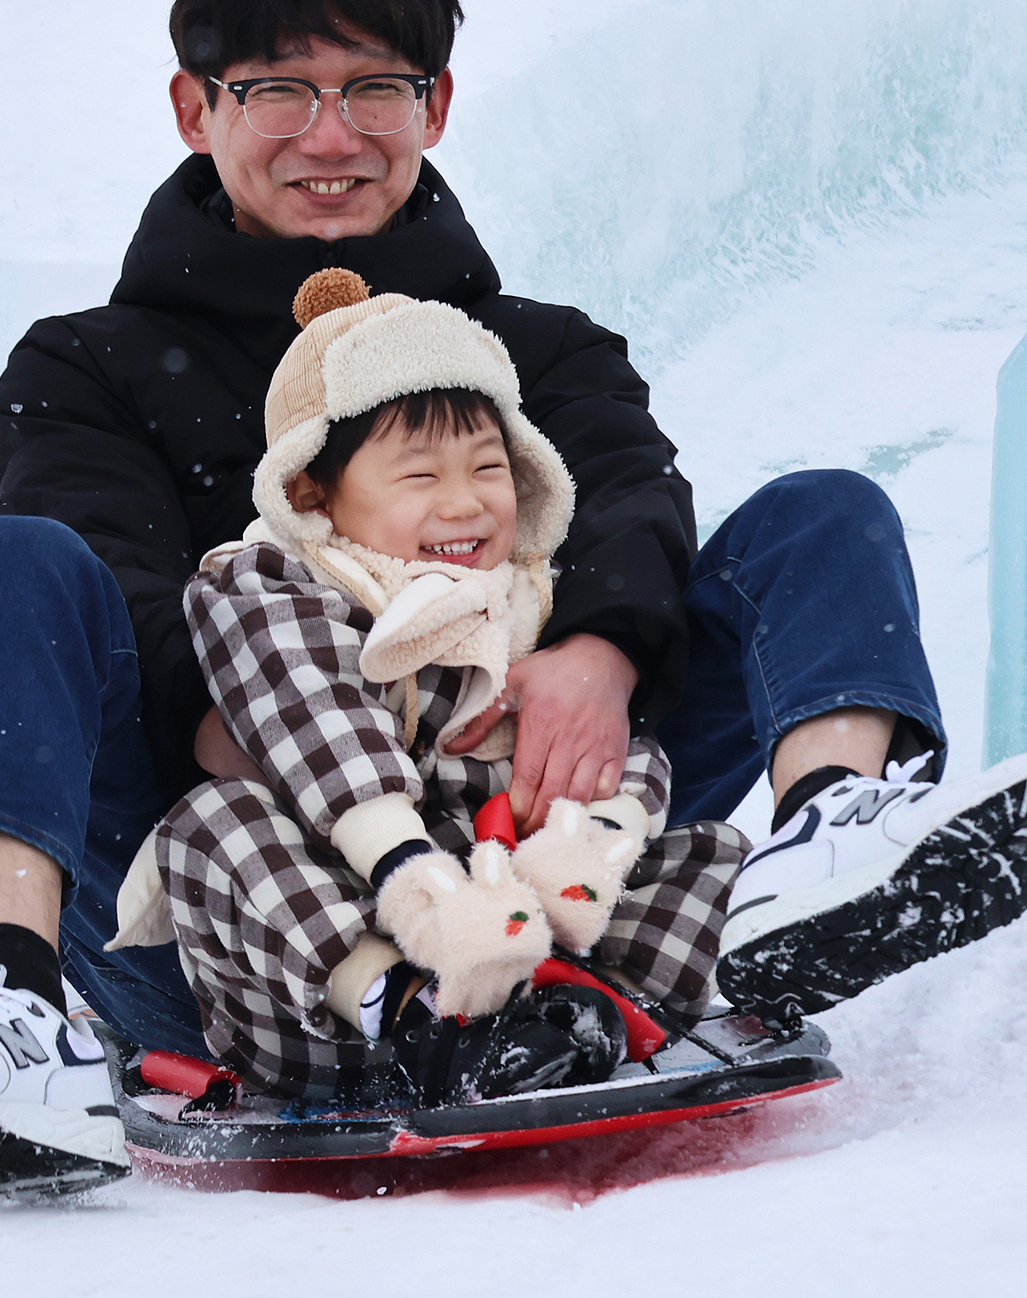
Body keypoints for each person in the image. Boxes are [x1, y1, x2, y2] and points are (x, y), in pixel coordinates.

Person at [0, 0, 1027, 1196]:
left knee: (822, 516)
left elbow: (629, 497)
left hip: (540, 844)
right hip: (224, 910)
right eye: (276, 88)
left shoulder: (541, 350)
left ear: (435, 102)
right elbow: (124, 580)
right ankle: (20, 1010)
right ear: (195, 108)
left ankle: (819, 857)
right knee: (12, 566)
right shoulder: (87, 366)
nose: (333, 131)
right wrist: (305, 729)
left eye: (376, 83)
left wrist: (592, 648)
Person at [103, 267, 746, 1105]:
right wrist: (424, 892)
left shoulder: (529, 599)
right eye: (419, 477)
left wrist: (591, 834)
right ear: (312, 491)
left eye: (488, 469)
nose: (465, 505)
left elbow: (620, 753)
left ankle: (581, 1017)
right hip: (335, 974)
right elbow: (327, 734)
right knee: (215, 827)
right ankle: (417, 1019)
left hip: (520, 924)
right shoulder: (265, 587)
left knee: (692, 839)